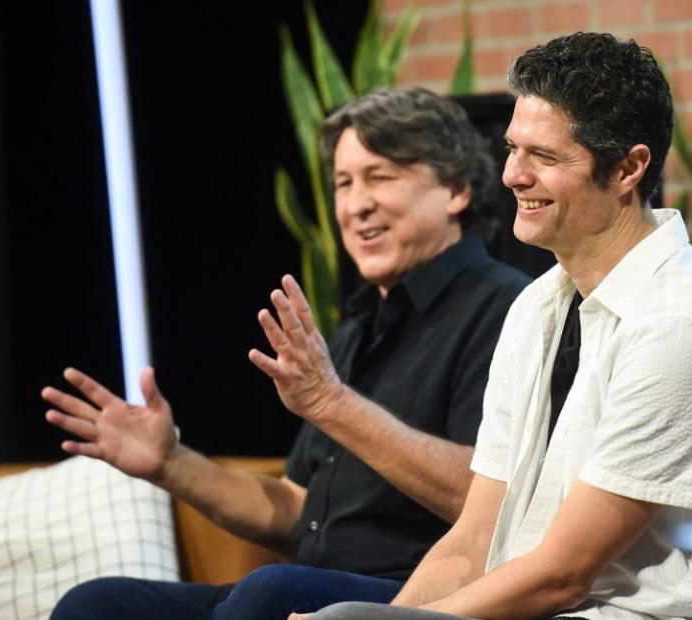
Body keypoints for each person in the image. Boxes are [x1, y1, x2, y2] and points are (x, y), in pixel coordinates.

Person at [304, 32, 692, 620]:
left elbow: (563, 575)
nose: (511, 175)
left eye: (545, 157)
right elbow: (473, 541)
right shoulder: (535, 308)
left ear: (630, 168)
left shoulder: (683, 326)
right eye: (512, 148)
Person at [42, 87, 530, 619]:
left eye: (380, 176)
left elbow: (489, 500)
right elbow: (297, 508)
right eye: (343, 183)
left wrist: (334, 405)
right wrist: (169, 462)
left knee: (270, 591)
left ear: (456, 189)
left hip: (416, 596)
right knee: (101, 604)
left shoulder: (507, 310)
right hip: (304, 587)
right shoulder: (358, 331)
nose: (355, 204)